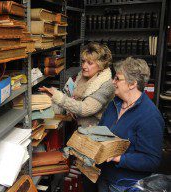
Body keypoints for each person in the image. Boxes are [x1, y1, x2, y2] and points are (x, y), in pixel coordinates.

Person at [39, 42, 115, 192]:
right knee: (85, 175)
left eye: (90, 63)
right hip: (83, 134)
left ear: (100, 65)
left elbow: (86, 108)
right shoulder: (82, 77)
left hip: (97, 138)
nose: (84, 66)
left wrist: (59, 97)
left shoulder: (107, 84)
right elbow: (74, 100)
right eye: (83, 61)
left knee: (93, 180)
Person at [97, 57, 164, 192]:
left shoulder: (149, 116)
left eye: (117, 78)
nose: (113, 81)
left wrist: (119, 158)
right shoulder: (114, 104)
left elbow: (152, 160)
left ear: (132, 84)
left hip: (124, 185)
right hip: (104, 177)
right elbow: (103, 130)